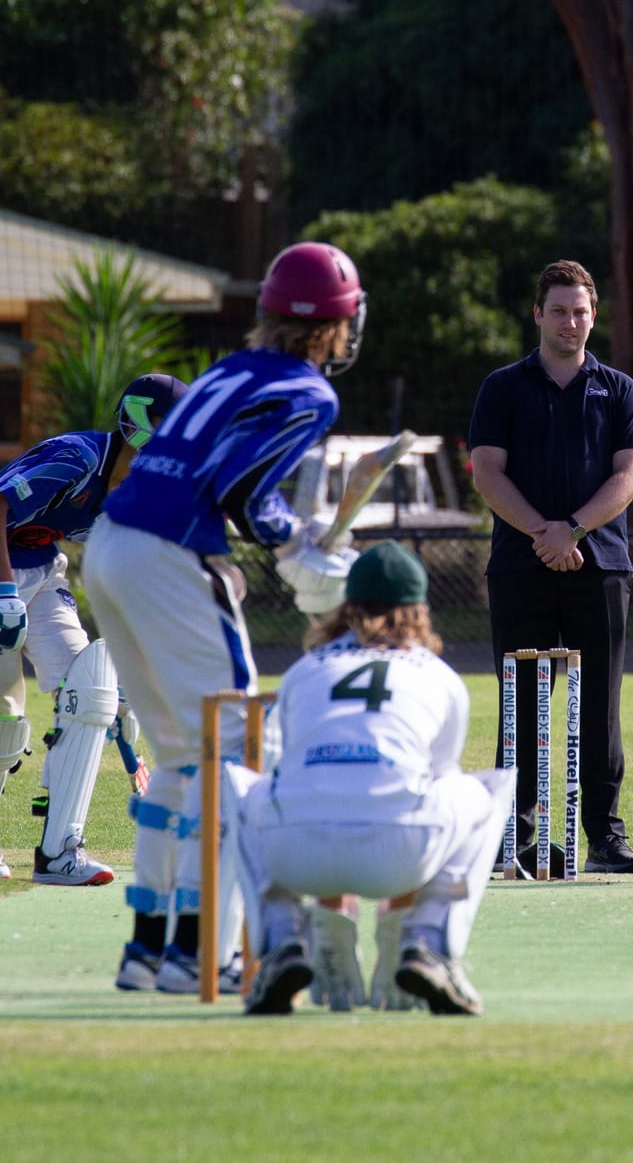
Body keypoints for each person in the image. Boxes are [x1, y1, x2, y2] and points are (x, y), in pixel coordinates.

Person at [81, 241, 366, 995]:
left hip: (110, 544)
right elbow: (242, 490)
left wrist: (285, 532)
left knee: (182, 758)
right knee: (239, 746)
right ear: (335, 324)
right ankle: (205, 950)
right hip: (167, 553)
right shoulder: (310, 391)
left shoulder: (230, 368)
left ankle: (152, 949)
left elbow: (221, 480)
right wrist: (295, 543)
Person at [234, 541, 514, 1017]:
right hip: (402, 854)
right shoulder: (441, 677)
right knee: (486, 789)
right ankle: (425, 942)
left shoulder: (302, 672)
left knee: (241, 788)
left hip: (296, 853)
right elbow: (428, 782)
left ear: (347, 606)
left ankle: (283, 941)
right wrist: (395, 918)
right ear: (420, 610)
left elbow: (302, 776)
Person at [0, 372, 187, 885]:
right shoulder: (77, 458)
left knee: (91, 690)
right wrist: (5, 592)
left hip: (44, 570)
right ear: (138, 420)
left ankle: (59, 852)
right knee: (0, 720)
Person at [468, 260, 633, 876]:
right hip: (520, 568)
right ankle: (511, 839)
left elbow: (630, 477)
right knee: (520, 706)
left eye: (580, 311)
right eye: (558, 311)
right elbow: (487, 473)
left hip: (600, 566)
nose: (569, 322)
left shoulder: (619, 390)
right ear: (538, 315)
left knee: (599, 707)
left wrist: (570, 530)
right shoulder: (502, 387)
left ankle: (605, 838)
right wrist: (542, 535)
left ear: (593, 316)